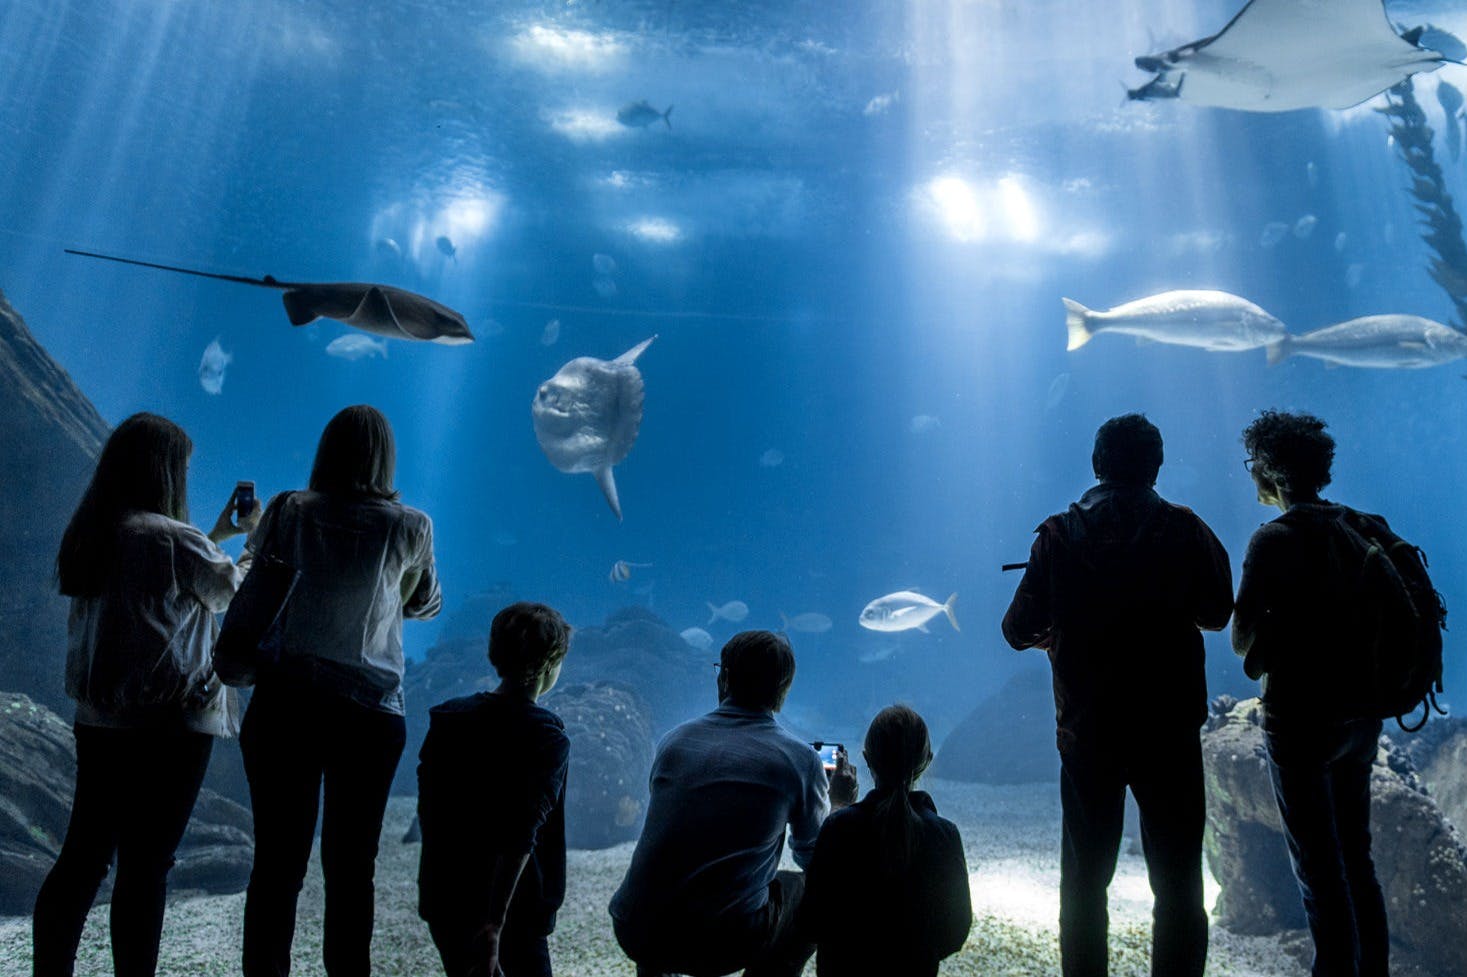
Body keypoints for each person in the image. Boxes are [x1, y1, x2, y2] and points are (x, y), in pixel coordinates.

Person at [1002, 413, 1233, 977]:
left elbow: (1016, 629)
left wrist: (1058, 629)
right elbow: (1218, 613)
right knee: (1178, 881)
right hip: (1169, 731)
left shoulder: (1058, 533)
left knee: (1083, 881)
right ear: (1156, 466)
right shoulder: (1186, 529)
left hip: (1089, 731)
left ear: (1096, 464)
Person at [33, 412, 260, 977]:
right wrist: (252, 538)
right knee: (145, 866)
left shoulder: (95, 532)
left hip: (100, 722)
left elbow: (167, 585)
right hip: (169, 730)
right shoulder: (172, 538)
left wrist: (215, 536)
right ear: (164, 472)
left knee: (82, 859)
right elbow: (230, 590)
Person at [238, 404, 442, 977]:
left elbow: (258, 573)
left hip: (286, 704)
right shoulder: (411, 525)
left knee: (277, 864)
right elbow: (425, 603)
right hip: (369, 712)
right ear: (386, 457)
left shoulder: (287, 509)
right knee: (353, 868)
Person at [1232, 410, 1391, 977]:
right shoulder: (1366, 526)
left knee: (1317, 872)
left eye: (1254, 464)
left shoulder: (1273, 538)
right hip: (1364, 717)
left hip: (1300, 721)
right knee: (1357, 859)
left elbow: (1241, 638)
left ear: (1270, 472)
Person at [609, 629, 857, 977]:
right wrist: (840, 806)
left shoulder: (673, 742)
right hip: (724, 943)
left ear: (724, 678)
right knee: (805, 890)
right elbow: (815, 860)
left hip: (634, 928)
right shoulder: (799, 760)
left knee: (665, 887)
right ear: (783, 689)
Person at [417, 602, 573, 977]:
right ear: (551, 664)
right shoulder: (546, 735)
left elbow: (430, 812)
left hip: (446, 899)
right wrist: (494, 925)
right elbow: (520, 834)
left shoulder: (448, 718)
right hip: (514, 912)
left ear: (494, 654)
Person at [798, 704, 971, 976]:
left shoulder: (838, 827)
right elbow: (954, 932)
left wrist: (839, 805)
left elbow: (811, 921)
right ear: (927, 761)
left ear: (867, 759)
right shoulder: (945, 834)